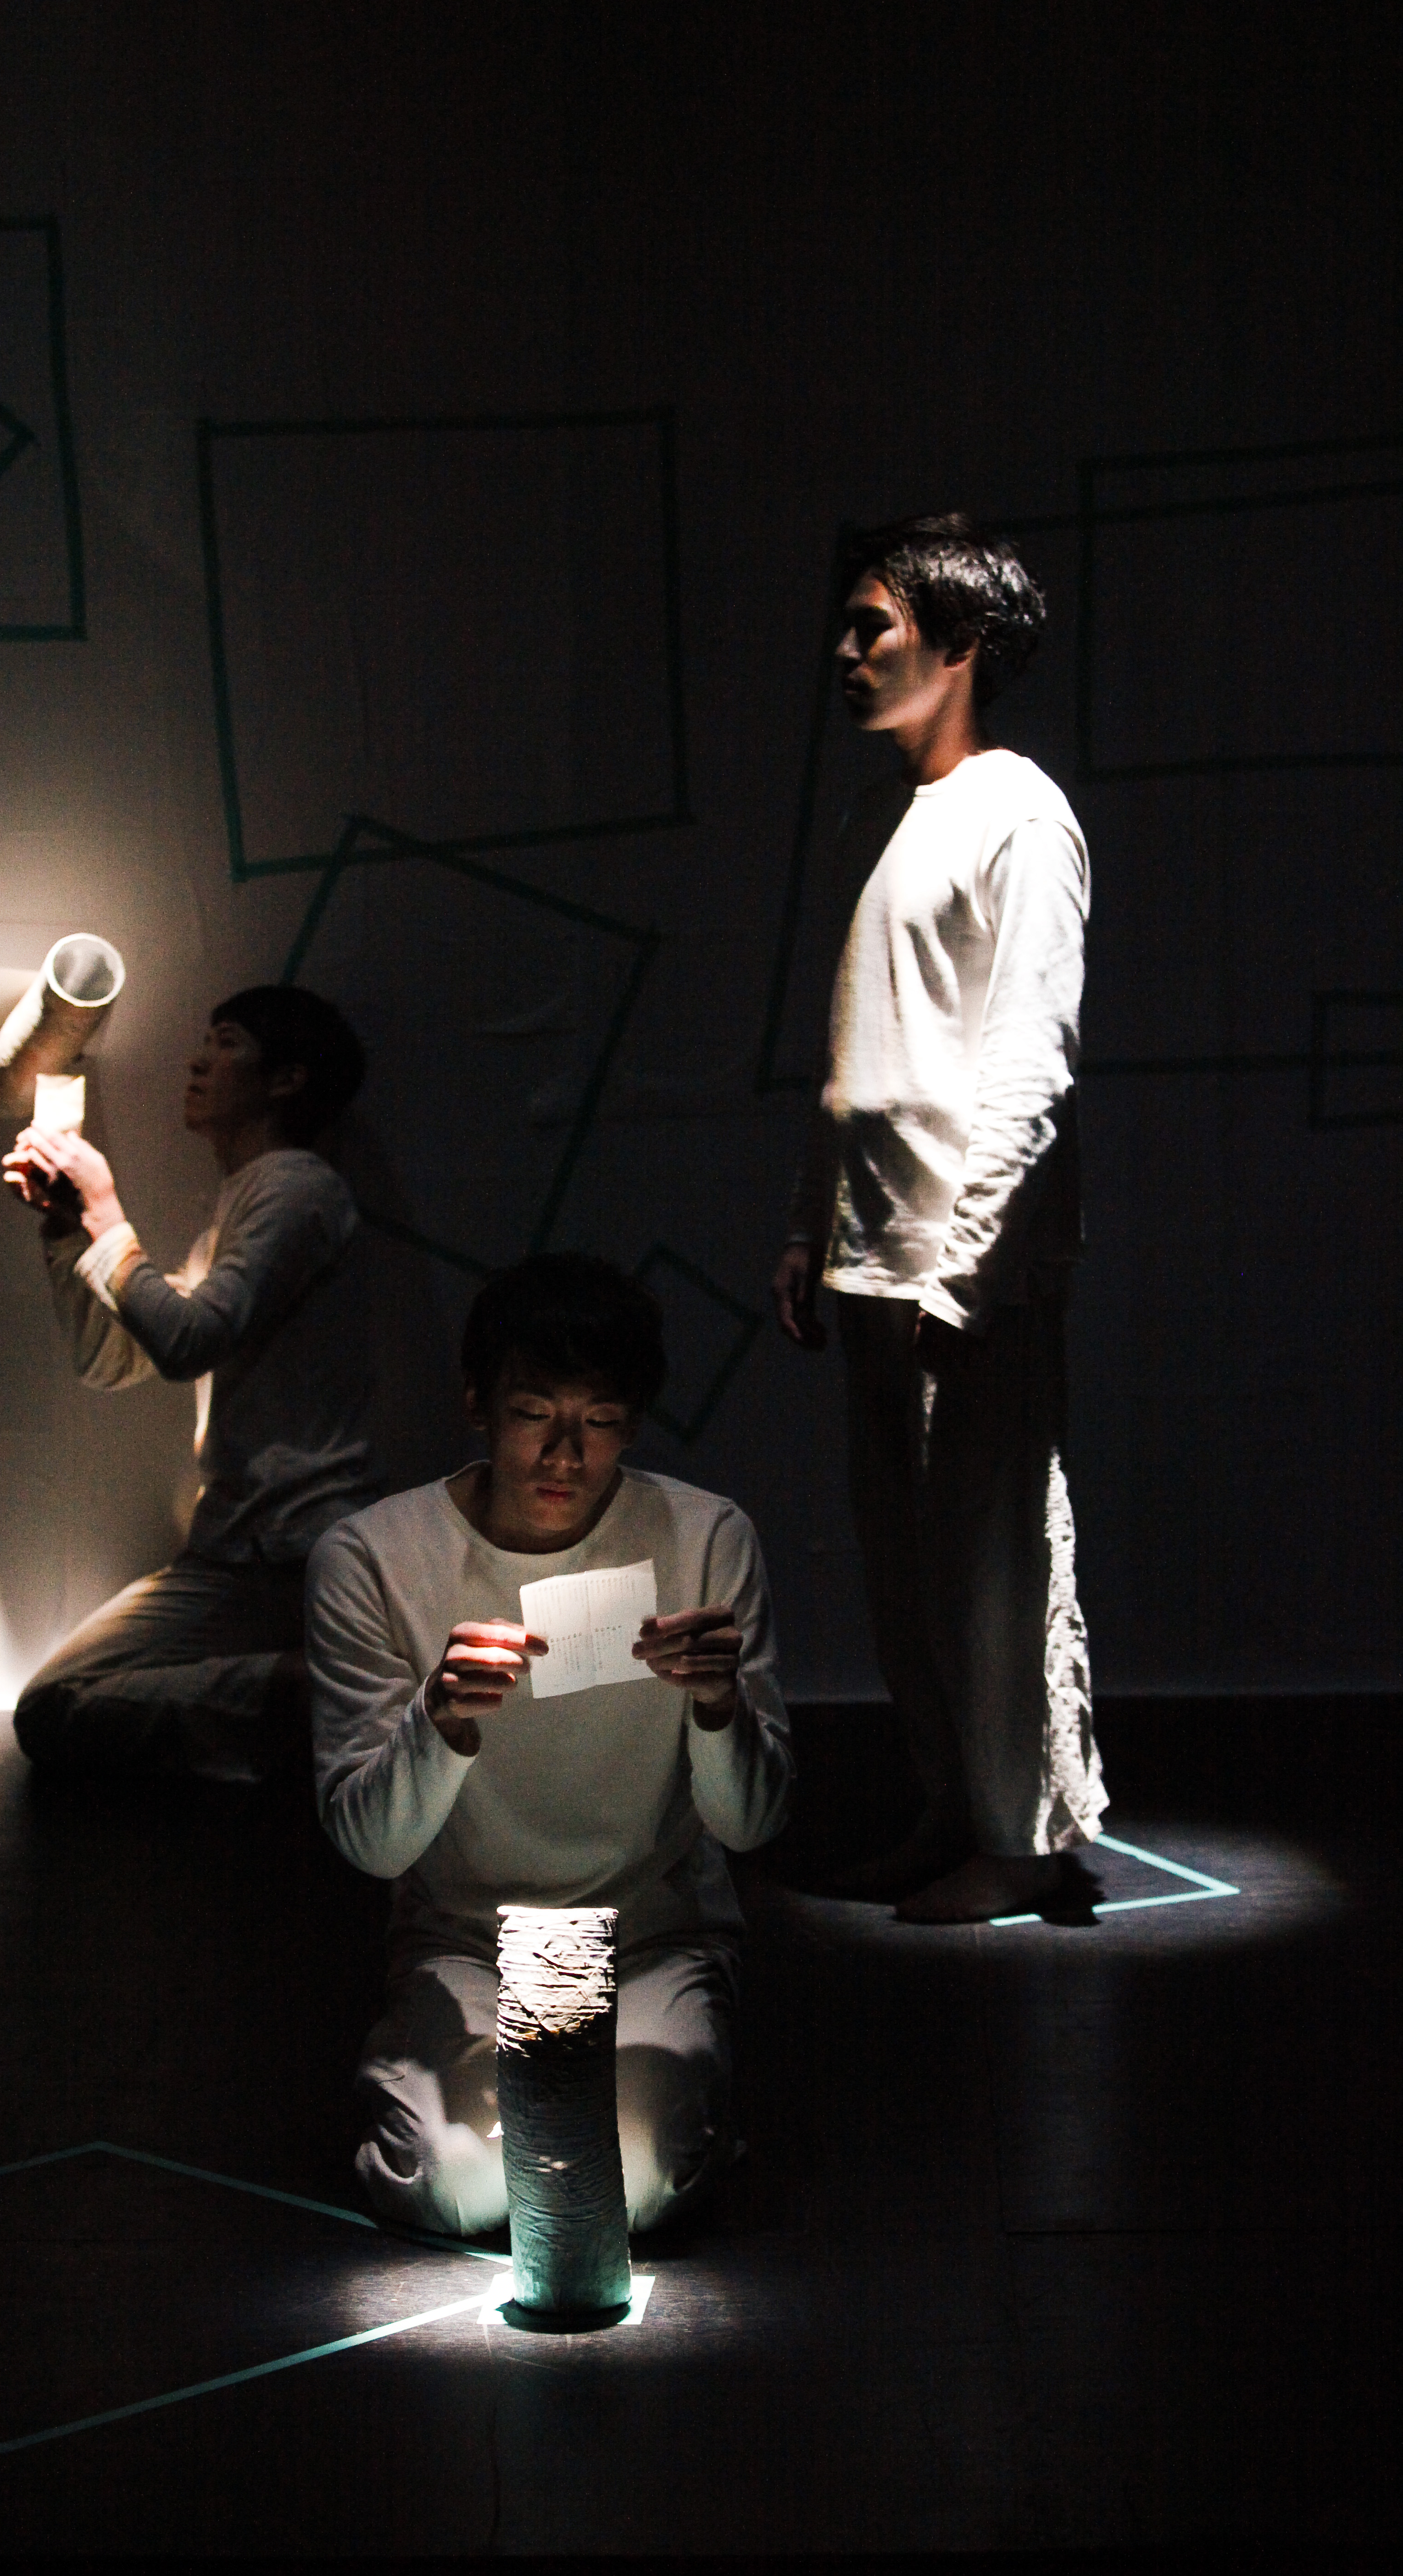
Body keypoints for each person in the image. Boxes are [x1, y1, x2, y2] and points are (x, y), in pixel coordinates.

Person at [308, 1252, 793, 2237]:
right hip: (468, 1941)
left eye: (600, 1422)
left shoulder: (704, 1539)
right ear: (478, 1405)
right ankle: (416, 2075)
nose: (564, 1456)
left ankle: (691, 2109)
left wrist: (717, 1706)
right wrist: (440, 1722)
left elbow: (752, 1824)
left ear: (634, 1424)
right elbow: (371, 1845)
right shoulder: (371, 1560)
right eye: (534, 1414)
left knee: (629, 2183)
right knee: (463, 2184)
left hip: (649, 1933)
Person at [774, 514, 1106, 1924]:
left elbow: (1031, 1060)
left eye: (875, 627)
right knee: (903, 1566)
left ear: (958, 643)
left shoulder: (1018, 812)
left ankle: (1020, 1841)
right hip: (871, 1256)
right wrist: (813, 1225)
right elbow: (860, 1048)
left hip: (966, 1267)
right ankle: (948, 1808)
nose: (846, 653)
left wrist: (967, 1270)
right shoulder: (876, 818)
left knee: (991, 1566)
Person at [2, 983, 380, 1782]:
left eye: (227, 1042)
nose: (199, 1061)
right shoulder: (242, 1209)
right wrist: (69, 1226)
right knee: (56, 1707)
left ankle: (315, 1693)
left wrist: (105, 1213)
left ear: (287, 1079)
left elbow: (186, 1341)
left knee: (54, 1709)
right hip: (242, 1549)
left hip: (284, 1553)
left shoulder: (296, 1186)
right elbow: (112, 1361)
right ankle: (304, 1691)